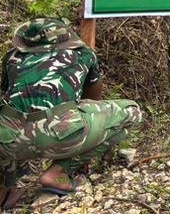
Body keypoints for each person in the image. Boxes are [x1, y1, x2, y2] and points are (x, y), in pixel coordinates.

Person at [0, 18, 142, 205]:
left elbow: (8, 96)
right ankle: (59, 172)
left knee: (9, 120)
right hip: (59, 135)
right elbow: (93, 97)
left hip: (7, 141)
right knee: (132, 112)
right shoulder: (83, 54)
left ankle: (6, 187)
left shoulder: (11, 58)